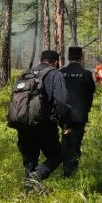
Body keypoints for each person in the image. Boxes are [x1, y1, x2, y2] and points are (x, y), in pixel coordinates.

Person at [17, 50, 72, 191]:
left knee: (30, 160)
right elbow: (61, 102)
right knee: (57, 156)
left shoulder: (26, 74)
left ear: (40, 60)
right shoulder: (55, 74)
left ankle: (29, 192)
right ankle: (37, 175)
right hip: (45, 124)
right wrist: (65, 124)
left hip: (24, 123)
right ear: (56, 62)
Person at [59, 46, 96, 177]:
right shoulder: (86, 74)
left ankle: (66, 170)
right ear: (81, 57)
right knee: (75, 142)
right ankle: (71, 172)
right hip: (79, 116)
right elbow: (90, 94)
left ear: (69, 57)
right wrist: (86, 110)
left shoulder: (61, 73)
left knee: (66, 140)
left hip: (64, 116)